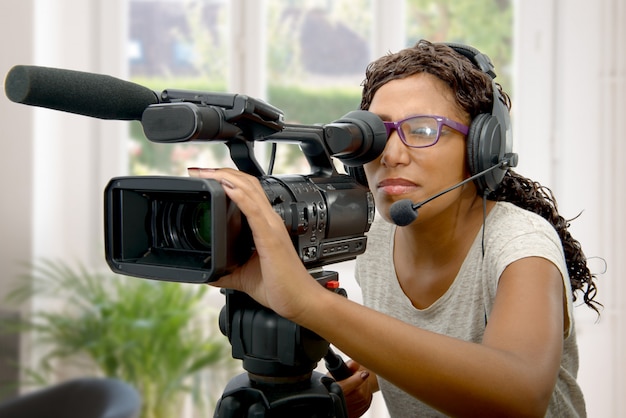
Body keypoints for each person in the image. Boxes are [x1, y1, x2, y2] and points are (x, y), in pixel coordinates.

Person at [189, 40, 600, 417]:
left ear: (481, 149)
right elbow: (427, 343)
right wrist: (373, 374)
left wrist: (308, 302)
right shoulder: (378, 235)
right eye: (377, 134)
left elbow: (520, 395)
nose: (393, 155)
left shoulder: (520, 244)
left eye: (422, 130)